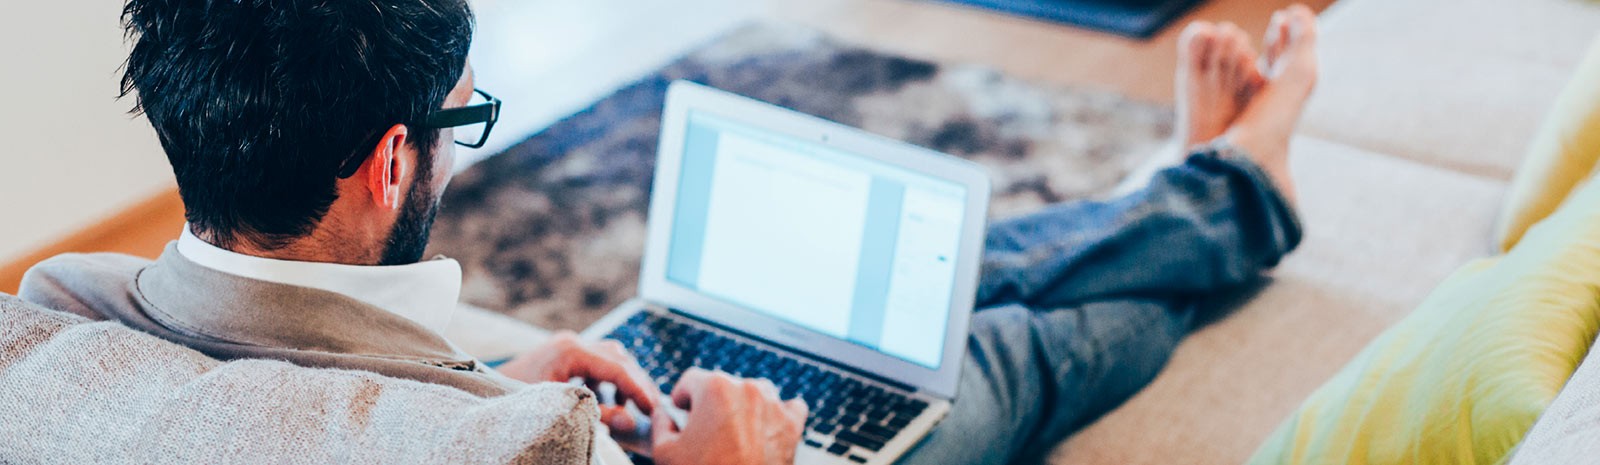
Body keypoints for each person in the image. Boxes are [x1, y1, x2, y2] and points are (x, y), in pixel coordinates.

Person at [16, 0, 1319, 463]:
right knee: (1021, 353)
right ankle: (1227, 187)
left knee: (946, 283)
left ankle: (1202, 182)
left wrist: (475, 380)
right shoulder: (512, 456)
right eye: (461, 123)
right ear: (390, 159)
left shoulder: (58, 325)